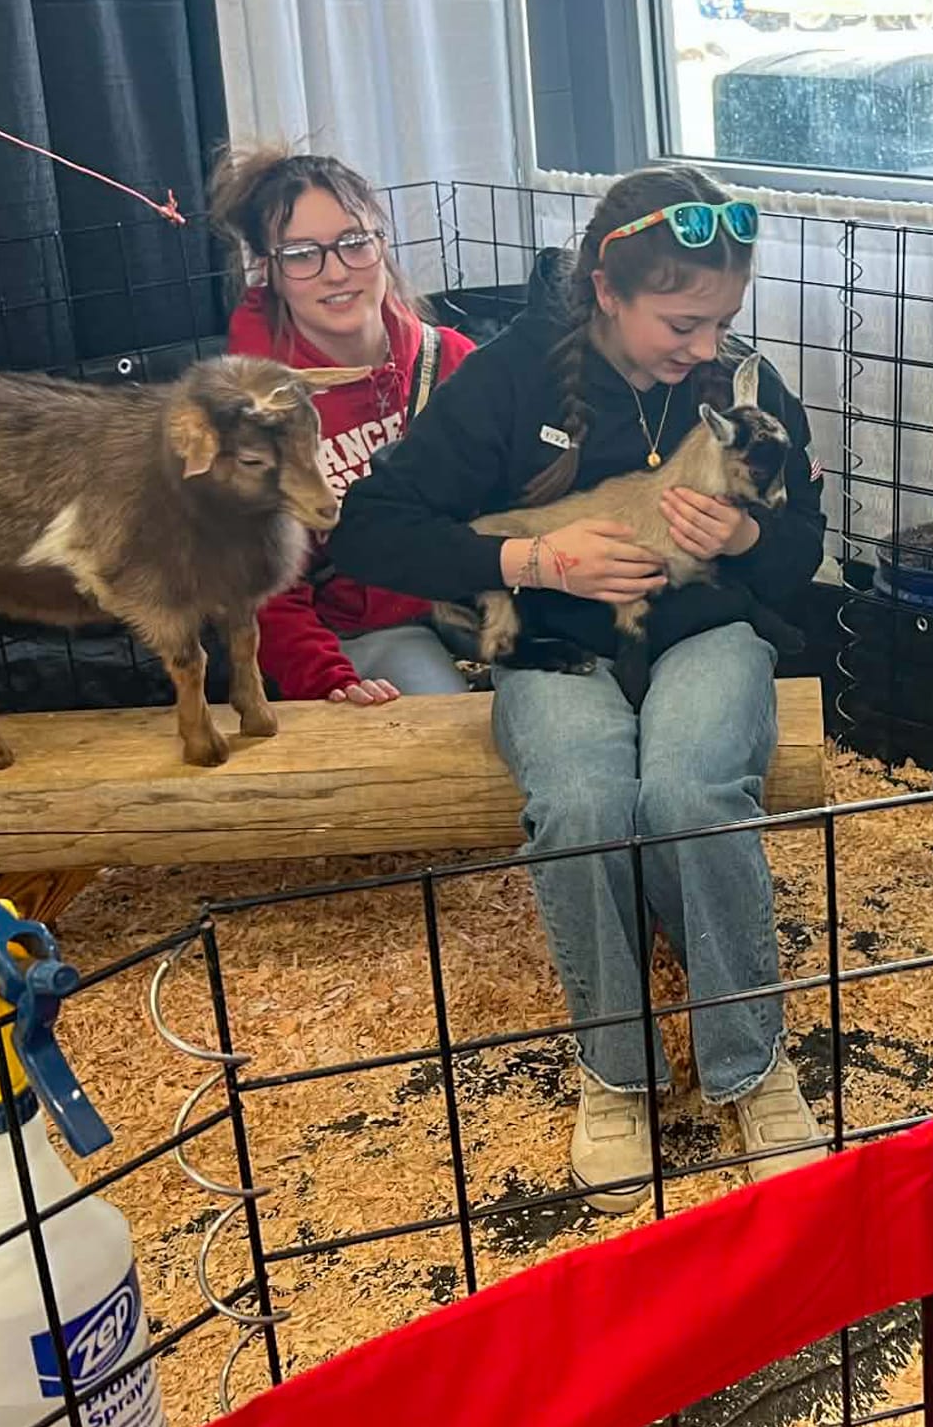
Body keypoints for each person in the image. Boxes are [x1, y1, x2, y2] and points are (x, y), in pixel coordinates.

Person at [328, 165, 828, 1212]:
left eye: (720, 322)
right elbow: (370, 528)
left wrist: (747, 536)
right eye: (680, 325)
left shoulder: (741, 386)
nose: (705, 349)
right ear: (608, 291)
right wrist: (530, 563)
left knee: (688, 794)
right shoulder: (511, 377)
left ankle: (748, 1062)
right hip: (556, 642)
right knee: (585, 803)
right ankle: (620, 1072)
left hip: (706, 631)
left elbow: (799, 557)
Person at [209, 145, 477, 705]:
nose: (336, 272)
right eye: (304, 254)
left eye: (354, 243)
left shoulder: (453, 361)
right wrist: (329, 679)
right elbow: (262, 590)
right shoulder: (248, 415)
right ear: (271, 271)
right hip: (362, 635)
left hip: (475, 606)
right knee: (451, 716)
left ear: (382, 243)